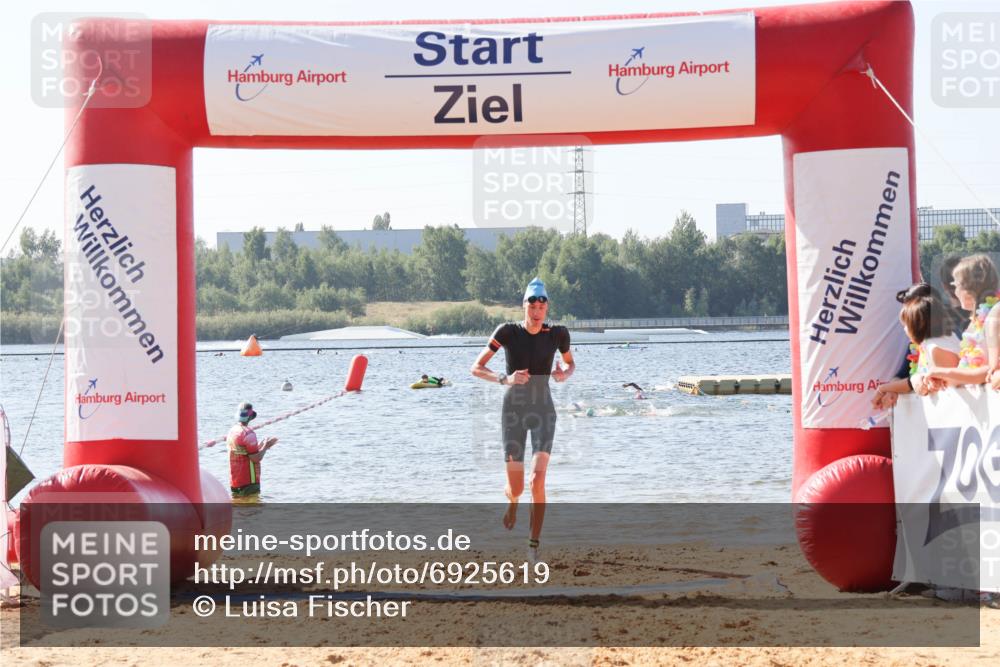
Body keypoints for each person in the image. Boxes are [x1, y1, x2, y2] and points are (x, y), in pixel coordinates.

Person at [470, 277, 575, 562]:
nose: (537, 309)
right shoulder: (507, 332)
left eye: (542, 304)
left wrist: (564, 373)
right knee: (517, 487)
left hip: (543, 410)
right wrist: (506, 378)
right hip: (513, 412)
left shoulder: (558, 334)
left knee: (537, 479)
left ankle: (533, 544)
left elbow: (569, 362)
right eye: (532, 303)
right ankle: (512, 501)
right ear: (524, 305)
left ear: (547, 307)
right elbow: (476, 368)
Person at [871, 285, 960, 410]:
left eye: (907, 323)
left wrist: (887, 388)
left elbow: (949, 386)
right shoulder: (925, 344)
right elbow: (907, 378)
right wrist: (891, 388)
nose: (904, 329)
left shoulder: (937, 346)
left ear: (919, 321)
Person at [926, 254, 1000, 387]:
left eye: (956, 285)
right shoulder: (976, 320)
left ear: (970, 288)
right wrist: (941, 378)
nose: (955, 291)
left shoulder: (995, 314)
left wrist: (945, 373)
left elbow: (990, 370)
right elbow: (969, 369)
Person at [227, 401, 278, 498]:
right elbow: (256, 458)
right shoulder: (248, 434)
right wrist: (266, 447)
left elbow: (242, 452)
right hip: (249, 481)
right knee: (252, 511)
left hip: (235, 480)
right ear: (250, 417)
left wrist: (260, 446)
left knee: (239, 509)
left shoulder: (232, 431)